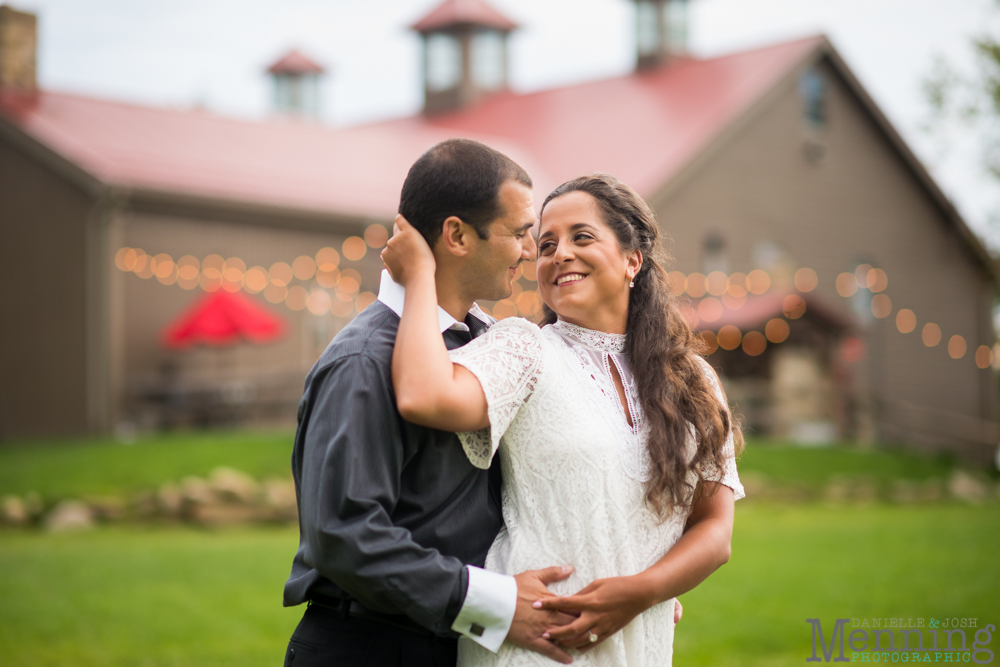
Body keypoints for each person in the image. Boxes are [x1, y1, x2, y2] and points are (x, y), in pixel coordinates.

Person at [382, 172, 745, 666]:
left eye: (582, 237)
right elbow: (425, 395)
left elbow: (714, 531)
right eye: (546, 243)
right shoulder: (524, 348)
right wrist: (420, 278)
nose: (559, 254)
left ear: (632, 260)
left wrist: (642, 591)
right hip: (534, 647)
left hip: (642, 644)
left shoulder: (694, 381)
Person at [283, 139, 611, 667]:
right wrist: (497, 604)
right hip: (374, 649)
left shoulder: (497, 346)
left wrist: (625, 577)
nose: (531, 252)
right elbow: (344, 534)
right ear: (457, 235)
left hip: (461, 647)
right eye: (519, 233)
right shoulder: (364, 361)